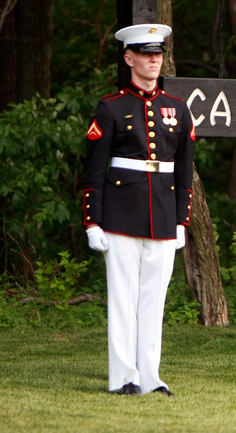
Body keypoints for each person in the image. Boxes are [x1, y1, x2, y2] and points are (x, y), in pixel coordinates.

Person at [82, 23, 195, 396]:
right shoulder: (111, 107)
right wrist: (92, 221)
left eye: (158, 54)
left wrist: (182, 220)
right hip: (120, 214)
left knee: (153, 302)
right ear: (129, 58)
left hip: (162, 215)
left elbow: (183, 169)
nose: (153, 60)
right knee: (123, 299)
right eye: (146, 54)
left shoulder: (177, 109)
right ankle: (123, 378)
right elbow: (95, 169)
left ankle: (150, 377)